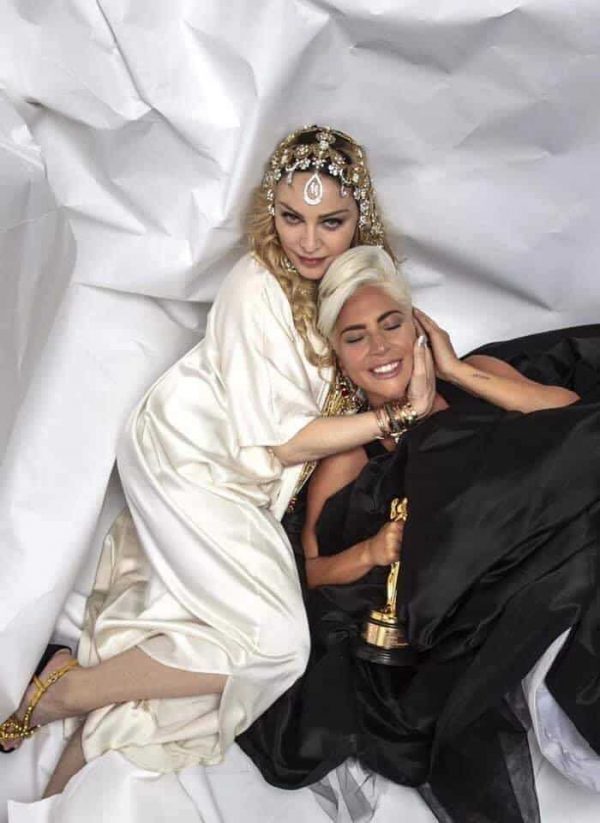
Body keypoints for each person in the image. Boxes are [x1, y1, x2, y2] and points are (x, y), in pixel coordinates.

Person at [0, 127, 438, 795]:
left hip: (246, 486)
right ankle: (64, 693)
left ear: (361, 217)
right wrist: (393, 417)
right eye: (291, 217)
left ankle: (58, 792)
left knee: (192, 654)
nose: (308, 241)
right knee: (279, 645)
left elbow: (392, 358)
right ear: (271, 212)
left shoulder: (355, 295)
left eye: (330, 221)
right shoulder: (257, 282)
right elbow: (284, 439)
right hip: (189, 459)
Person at [238, 246, 600, 822]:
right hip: (487, 599)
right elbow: (313, 571)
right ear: (339, 355)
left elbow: (572, 420)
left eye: (392, 325)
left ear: (418, 328)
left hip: (563, 538)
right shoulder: (350, 454)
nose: (381, 348)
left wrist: (455, 371)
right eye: (356, 337)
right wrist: (370, 549)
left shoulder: (477, 378)